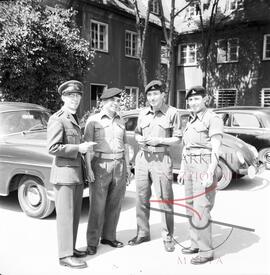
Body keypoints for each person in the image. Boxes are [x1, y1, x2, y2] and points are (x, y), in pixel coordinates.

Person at [128, 80, 181, 252]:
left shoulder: (172, 113)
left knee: (165, 199)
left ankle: (167, 236)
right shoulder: (143, 113)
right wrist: (138, 138)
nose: (152, 97)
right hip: (142, 158)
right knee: (141, 198)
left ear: (163, 95)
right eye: (149, 95)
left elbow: (178, 138)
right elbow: (137, 132)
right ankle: (143, 233)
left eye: (156, 94)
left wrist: (160, 140)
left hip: (161, 158)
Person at [47, 80, 94, 269]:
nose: (74, 99)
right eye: (70, 96)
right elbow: (52, 147)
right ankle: (65, 256)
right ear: (63, 98)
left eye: (77, 95)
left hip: (75, 175)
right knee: (66, 217)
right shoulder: (58, 118)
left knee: (74, 216)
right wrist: (78, 147)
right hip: (64, 176)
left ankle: (71, 249)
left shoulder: (74, 118)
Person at [177, 86, 223, 264]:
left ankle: (206, 251)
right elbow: (186, 146)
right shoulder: (191, 119)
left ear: (205, 99)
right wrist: (182, 169)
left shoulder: (212, 118)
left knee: (202, 208)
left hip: (204, 165)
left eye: (197, 99)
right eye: (190, 99)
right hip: (189, 165)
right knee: (190, 205)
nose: (193, 102)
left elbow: (216, 148)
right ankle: (195, 243)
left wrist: (210, 172)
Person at [84, 87, 131, 256]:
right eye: (111, 101)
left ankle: (109, 237)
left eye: (118, 101)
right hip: (100, 165)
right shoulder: (93, 120)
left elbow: (125, 145)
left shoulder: (121, 120)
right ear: (103, 102)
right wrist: (88, 168)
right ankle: (92, 242)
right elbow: (88, 148)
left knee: (114, 204)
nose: (115, 104)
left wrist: (128, 167)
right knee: (97, 206)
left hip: (119, 165)